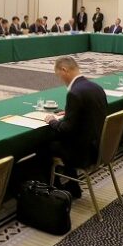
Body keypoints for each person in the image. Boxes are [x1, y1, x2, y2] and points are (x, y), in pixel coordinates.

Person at [43, 57, 108, 198]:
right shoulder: (96, 87)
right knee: (64, 142)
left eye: (58, 75)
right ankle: (73, 186)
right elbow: (89, 114)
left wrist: (52, 121)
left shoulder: (75, 92)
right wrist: (69, 113)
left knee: (45, 146)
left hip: (84, 153)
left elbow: (67, 129)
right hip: (99, 147)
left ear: (64, 70)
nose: (60, 79)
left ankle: (56, 189)